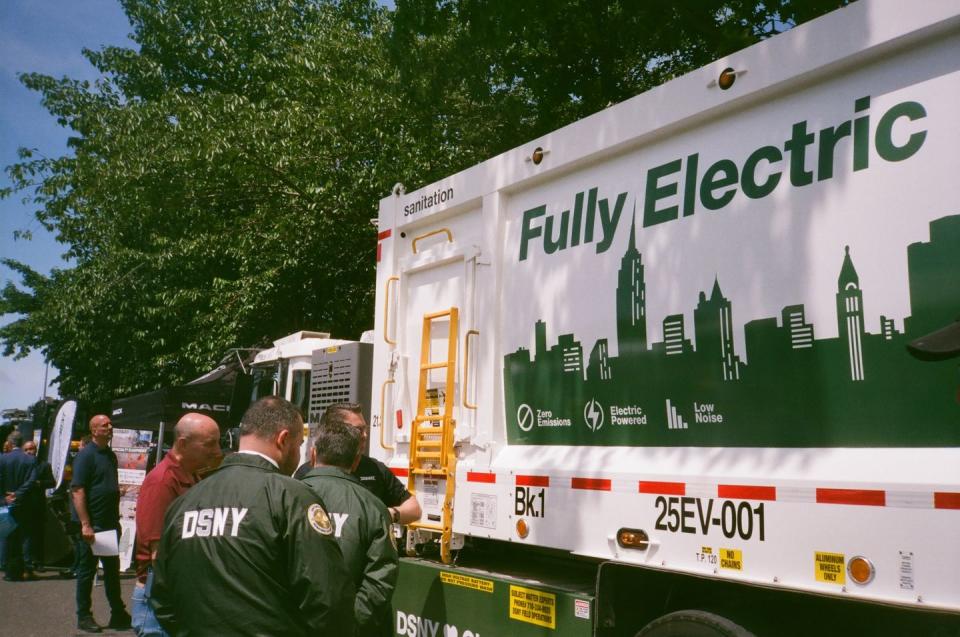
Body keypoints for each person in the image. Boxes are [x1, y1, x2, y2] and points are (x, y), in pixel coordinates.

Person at [151, 397, 354, 636]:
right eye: (299, 445)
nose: (299, 454)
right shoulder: (291, 497)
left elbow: (163, 600)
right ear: (283, 439)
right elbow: (328, 600)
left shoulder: (184, 503)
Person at [301, 420, 398, 636]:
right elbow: (380, 578)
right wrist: (351, 625)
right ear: (355, 462)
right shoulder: (373, 507)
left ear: (313, 454)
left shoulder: (285, 496)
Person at [131, 413, 222, 637]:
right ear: (183, 443)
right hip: (160, 602)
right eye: (210, 444)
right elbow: (157, 554)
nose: (217, 451)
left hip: (176, 597)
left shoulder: (192, 476)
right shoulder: (162, 481)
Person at [295, 403, 422, 525]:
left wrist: (389, 514)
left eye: (365, 429)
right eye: (358, 430)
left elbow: (414, 509)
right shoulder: (306, 472)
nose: (365, 435)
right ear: (336, 430)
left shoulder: (375, 469)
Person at [71, 415, 131, 633]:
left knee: (112, 571)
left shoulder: (110, 456)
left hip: (109, 523)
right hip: (93, 525)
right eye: (105, 425)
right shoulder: (86, 456)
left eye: (110, 424)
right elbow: (77, 490)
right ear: (94, 430)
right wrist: (85, 524)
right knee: (87, 572)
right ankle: (84, 616)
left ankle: (118, 612)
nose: (110, 427)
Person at [0, 431, 38, 581]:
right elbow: (31, 480)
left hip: (6, 503)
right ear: (22, 443)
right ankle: (27, 568)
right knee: (26, 536)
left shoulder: (2, 459)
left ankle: (10, 570)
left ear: (10, 442)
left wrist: (5, 496)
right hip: (26, 502)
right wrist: (18, 493)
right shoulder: (30, 460)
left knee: (8, 536)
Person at [22, 439, 55, 576]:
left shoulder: (43, 465)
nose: (30, 451)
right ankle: (25, 562)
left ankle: (39, 562)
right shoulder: (21, 465)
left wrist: (39, 483)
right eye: (27, 449)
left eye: (32, 449)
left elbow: (52, 482)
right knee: (25, 536)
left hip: (38, 505)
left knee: (38, 535)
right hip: (23, 505)